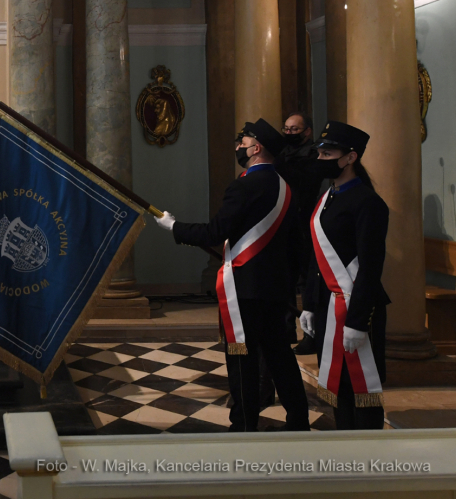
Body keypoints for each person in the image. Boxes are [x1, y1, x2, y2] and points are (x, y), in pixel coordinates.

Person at [155, 119, 310, 432]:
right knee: (280, 356)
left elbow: (216, 231)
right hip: (275, 288)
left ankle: (243, 425)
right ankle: (298, 421)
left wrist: (175, 227)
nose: (239, 146)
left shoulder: (243, 185)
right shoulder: (285, 187)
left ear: (257, 148)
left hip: (245, 289)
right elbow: (294, 245)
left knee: (242, 358)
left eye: (244, 141)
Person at [301, 121, 389, 430]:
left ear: (350, 158)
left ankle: (368, 457)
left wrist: (357, 320)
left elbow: (370, 266)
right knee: (338, 385)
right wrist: (310, 303)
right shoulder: (328, 198)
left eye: (329, 153)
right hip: (329, 303)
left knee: (361, 387)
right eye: (320, 152)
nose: (321, 158)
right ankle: (345, 450)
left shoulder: (368, 202)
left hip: (358, 308)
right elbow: (317, 258)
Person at [276, 111, 325, 356]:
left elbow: (306, 183)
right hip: (283, 223)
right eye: (286, 129)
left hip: (305, 223)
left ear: (307, 131)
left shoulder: (315, 154)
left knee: (307, 281)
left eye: (295, 129)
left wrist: (280, 166)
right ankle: (285, 331)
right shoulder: (282, 152)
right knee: (283, 278)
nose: (289, 133)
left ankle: (310, 335)